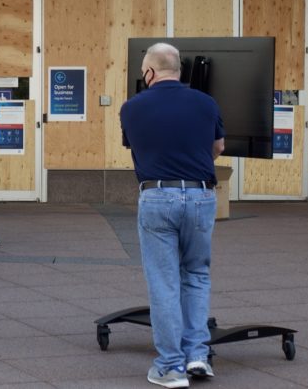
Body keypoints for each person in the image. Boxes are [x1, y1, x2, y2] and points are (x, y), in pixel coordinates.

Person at [120, 42, 225, 388]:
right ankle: (197, 355)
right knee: (196, 274)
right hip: (200, 195)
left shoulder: (132, 108)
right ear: (179, 69)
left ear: (149, 72)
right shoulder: (206, 103)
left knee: (164, 282)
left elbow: (135, 146)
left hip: (156, 195)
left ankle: (170, 367)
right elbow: (218, 148)